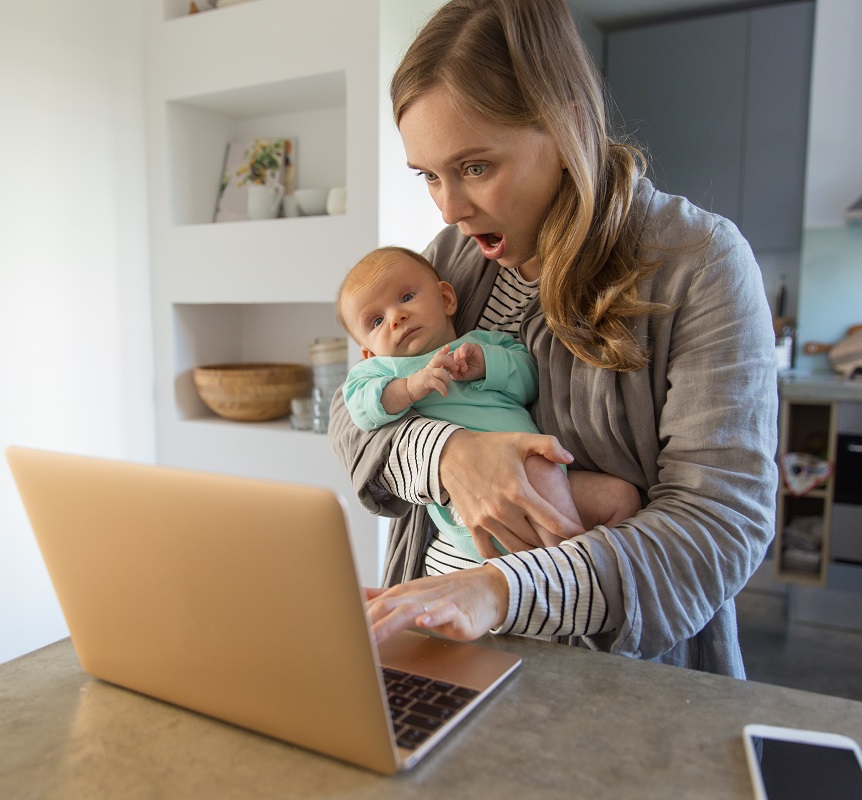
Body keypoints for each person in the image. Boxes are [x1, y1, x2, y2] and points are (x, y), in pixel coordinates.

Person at [328, 0, 778, 677]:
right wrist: (451, 454)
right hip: (440, 650)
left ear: (567, 123)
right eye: (428, 175)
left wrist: (501, 590)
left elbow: (718, 528)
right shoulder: (449, 259)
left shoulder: (701, 262)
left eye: (475, 167)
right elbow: (351, 412)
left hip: (615, 683)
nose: (449, 207)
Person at [336, 245, 640, 563]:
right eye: (376, 322)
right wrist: (411, 387)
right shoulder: (381, 371)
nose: (396, 317)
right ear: (368, 353)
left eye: (407, 297)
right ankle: (565, 567)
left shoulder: (484, 343)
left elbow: (530, 382)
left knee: (621, 498)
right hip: (475, 506)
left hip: (553, 477)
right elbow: (361, 409)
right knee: (538, 466)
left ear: (446, 299)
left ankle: (595, 570)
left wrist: (487, 365)